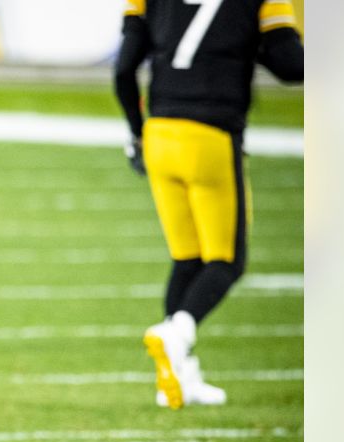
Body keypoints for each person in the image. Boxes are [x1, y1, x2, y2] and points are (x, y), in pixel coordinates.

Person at [114, 0, 303, 408]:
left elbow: (123, 68)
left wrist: (136, 133)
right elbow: (291, 64)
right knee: (226, 260)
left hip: (161, 132)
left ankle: (180, 377)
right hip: (211, 133)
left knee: (187, 258)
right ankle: (178, 332)